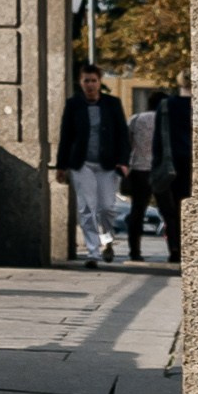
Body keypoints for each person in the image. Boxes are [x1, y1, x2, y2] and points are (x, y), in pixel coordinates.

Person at [54, 66, 131, 265]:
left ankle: (107, 240)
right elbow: (66, 136)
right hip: (82, 163)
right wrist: (61, 166)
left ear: (99, 82)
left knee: (106, 207)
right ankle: (92, 253)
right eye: (86, 81)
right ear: (80, 82)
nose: (90, 85)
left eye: (93, 81)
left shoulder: (112, 104)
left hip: (107, 164)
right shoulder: (73, 105)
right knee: (87, 208)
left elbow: (122, 135)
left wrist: (123, 161)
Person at [151, 81, 190, 269]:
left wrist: (156, 163)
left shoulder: (166, 105)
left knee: (171, 211)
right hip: (193, 163)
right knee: (187, 207)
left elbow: (158, 138)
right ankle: (188, 246)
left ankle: (175, 248)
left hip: (170, 163)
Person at [123, 91, 158, 263]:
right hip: (160, 171)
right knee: (170, 212)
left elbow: (126, 143)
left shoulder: (136, 119)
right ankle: (175, 250)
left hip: (138, 170)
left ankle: (134, 251)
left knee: (137, 211)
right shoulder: (165, 121)